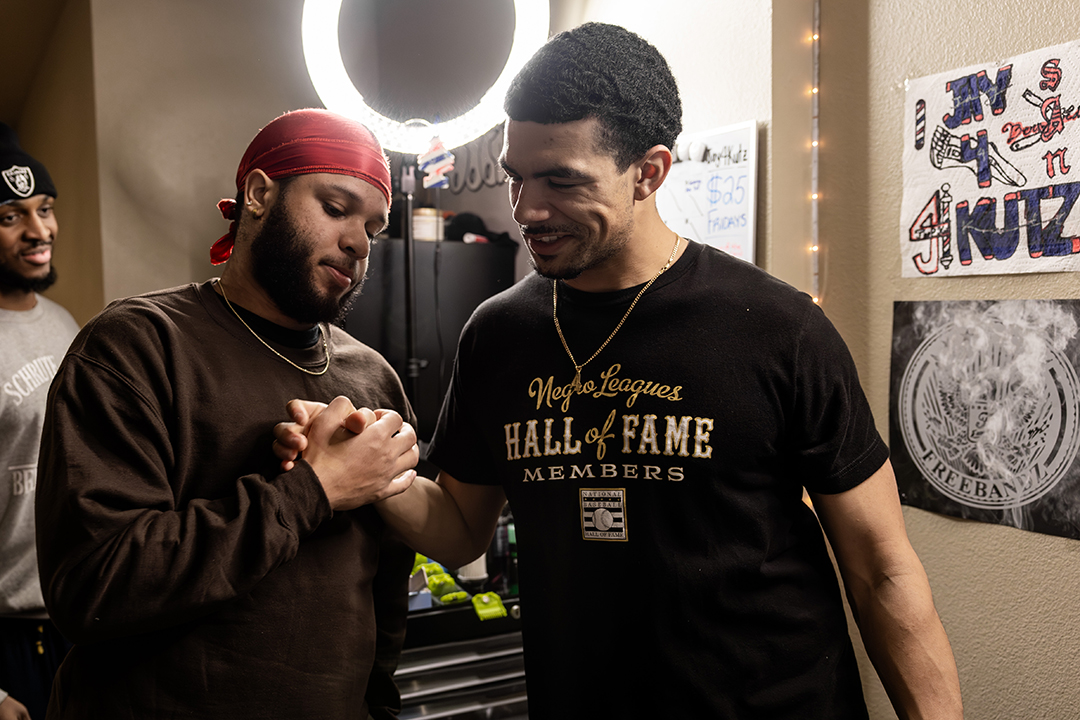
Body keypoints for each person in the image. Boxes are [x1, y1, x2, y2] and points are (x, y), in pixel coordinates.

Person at [276, 23, 964, 720]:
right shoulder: (499, 333)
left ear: (650, 172)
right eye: (518, 177)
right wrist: (369, 470)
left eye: (562, 181)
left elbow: (882, 571)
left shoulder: (779, 328)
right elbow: (459, 529)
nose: (527, 211)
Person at [34, 109, 420, 719]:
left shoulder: (373, 377)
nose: (358, 242)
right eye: (336, 208)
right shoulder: (137, 346)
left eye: (374, 225)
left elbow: (385, 588)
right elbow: (92, 585)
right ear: (259, 194)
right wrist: (311, 490)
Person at [0, 123, 79, 720]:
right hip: (9, 639)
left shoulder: (63, 323)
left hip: (76, 615)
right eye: (11, 216)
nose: (38, 231)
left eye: (44, 209)